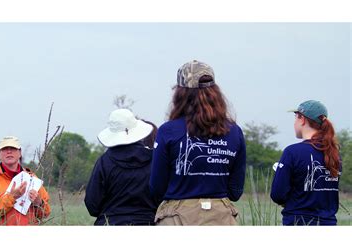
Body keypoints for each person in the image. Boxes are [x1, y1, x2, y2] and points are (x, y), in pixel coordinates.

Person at [149, 60, 246, 225]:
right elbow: (235, 191)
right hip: (221, 217)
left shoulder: (168, 131)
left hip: (177, 217)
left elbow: (156, 188)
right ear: (215, 91)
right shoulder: (234, 132)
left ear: (180, 93)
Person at [271, 100, 341, 225]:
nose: (294, 123)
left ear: (302, 119)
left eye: (295, 118)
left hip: (298, 222)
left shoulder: (292, 152)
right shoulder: (335, 154)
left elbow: (277, 195)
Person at [84, 109, 159, 225]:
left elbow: (92, 204)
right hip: (147, 222)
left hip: (110, 222)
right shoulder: (154, 159)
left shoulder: (104, 162)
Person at [0, 136, 51, 225]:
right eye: (5, 149)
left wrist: (39, 203)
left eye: (13, 148)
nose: (9, 151)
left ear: (20, 153)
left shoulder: (32, 178)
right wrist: (11, 197)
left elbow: (46, 213)